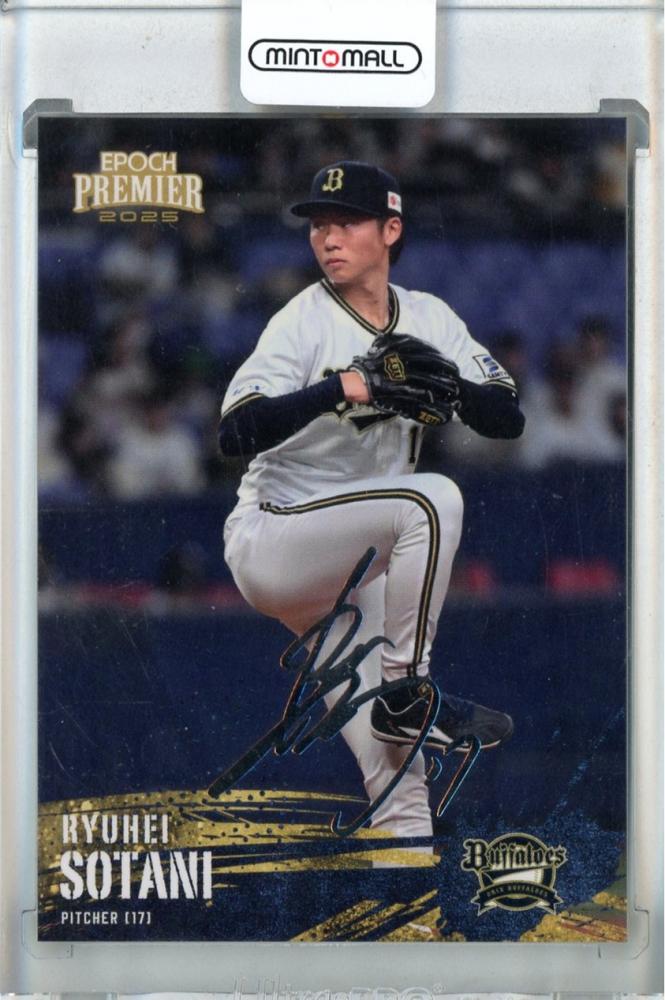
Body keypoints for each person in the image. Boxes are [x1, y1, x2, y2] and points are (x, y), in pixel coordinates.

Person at [218, 162, 525, 843]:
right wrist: (342, 387)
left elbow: (506, 417)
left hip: (351, 577)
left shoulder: (429, 317)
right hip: (278, 538)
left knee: (399, 779)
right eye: (318, 225)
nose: (327, 238)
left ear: (390, 230)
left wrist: (451, 387)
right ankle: (407, 692)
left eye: (346, 222)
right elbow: (234, 431)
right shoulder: (302, 321)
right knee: (430, 501)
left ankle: (404, 892)